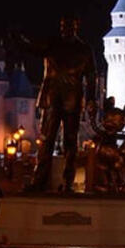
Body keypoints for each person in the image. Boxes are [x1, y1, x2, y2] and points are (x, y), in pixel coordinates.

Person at [13, 16, 96, 192]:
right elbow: (31, 48)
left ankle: (67, 182)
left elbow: (91, 77)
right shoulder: (53, 44)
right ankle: (40, 181)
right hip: (53, 98)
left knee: (70, 142)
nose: (65, 29)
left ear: (76, 27)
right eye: (63, 26)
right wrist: (18, 38)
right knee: (47, 140)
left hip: (71, 100)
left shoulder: (83, 49)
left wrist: (91, 98)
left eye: (68, 26)